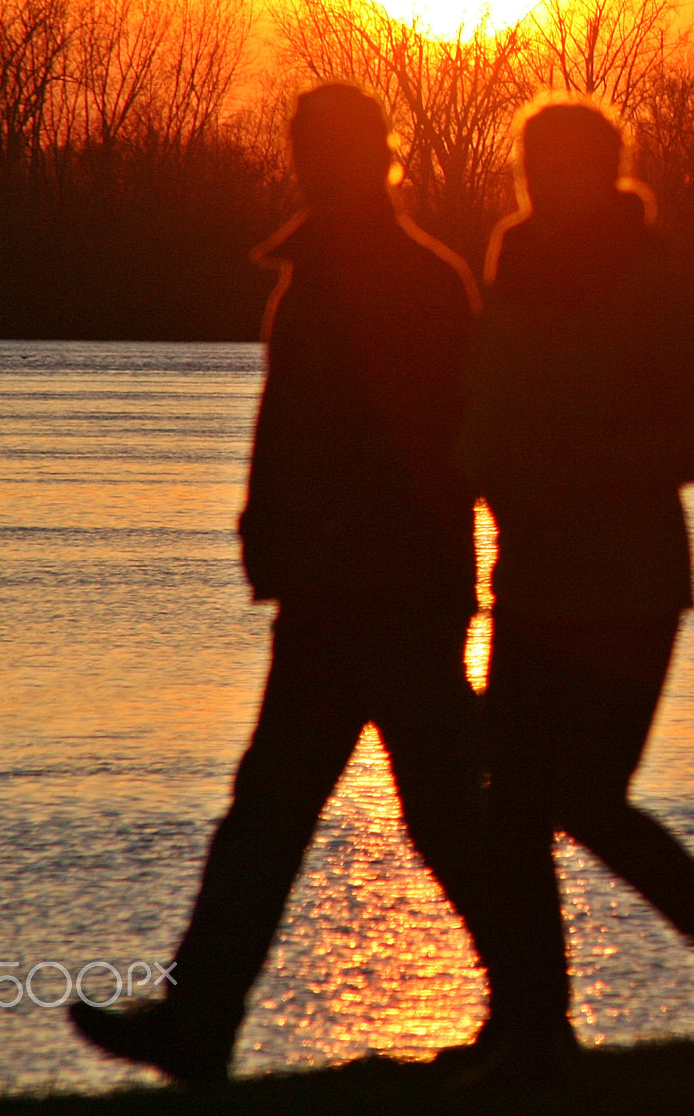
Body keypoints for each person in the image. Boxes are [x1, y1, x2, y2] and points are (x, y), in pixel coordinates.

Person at [70, 82, 506, 1086]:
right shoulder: (326, 273)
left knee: (425, 810)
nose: (316, 164)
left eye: (333, 149)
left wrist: (379, 559)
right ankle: (201, 1022)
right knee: (280, 813)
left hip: (384, 592)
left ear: (373, 154)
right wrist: (274, 541)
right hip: (330, 590)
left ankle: (527, 1007)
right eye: (307, 148)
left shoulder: (404, 278)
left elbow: (432, 441)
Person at [459, 97, 694, 1061]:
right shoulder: (509, 271)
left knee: (586, 796)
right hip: (529, 582)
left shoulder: (651, 284)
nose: (546, 183)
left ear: (605, 173)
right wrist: (480, 466)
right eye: (534, 165)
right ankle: (530, 1024)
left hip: (628, 585)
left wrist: (595, 472)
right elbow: (481, 402)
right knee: (511, 804)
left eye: (566, 166)